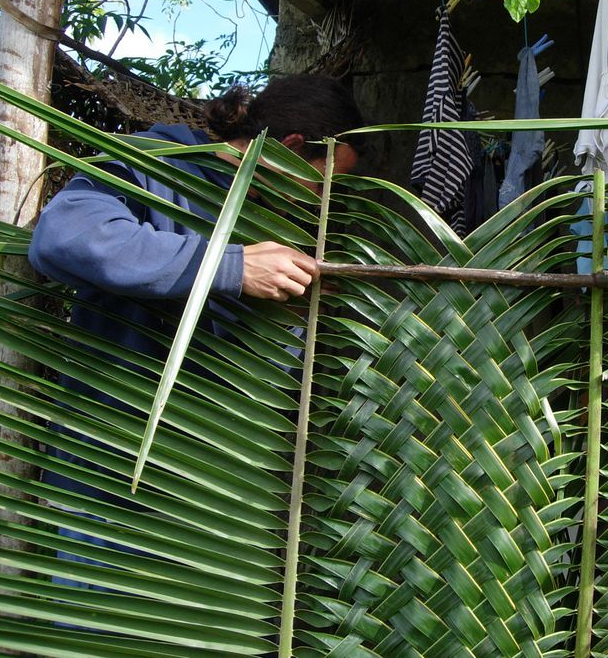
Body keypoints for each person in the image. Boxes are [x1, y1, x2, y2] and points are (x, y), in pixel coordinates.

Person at [27, 73, 365, 589]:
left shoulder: (281, 223)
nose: (323, 203)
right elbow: (64, 236)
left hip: (217, 510)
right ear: (293, 149)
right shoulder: (158, 164)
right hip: (111, 489)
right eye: (323, 183)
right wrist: (229, 268)